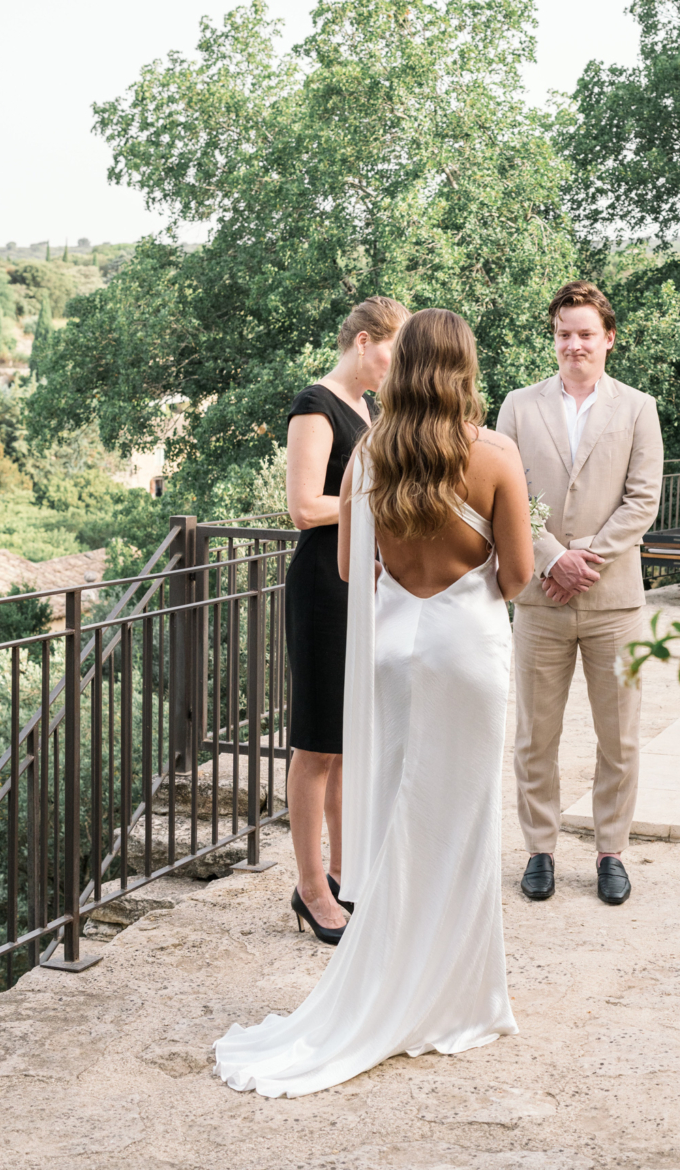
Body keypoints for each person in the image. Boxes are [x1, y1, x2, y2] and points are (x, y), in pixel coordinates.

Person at [215, 308, 534, 1097]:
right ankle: (453, 995)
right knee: (460, 819)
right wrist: (468, 589)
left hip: (395, 650)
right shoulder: (493, 453)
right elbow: (520, 574)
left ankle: (386, 975)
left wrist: (411, 595)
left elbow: (357, 574)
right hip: (465, 646)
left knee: (395, 808)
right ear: (462, 366)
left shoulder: (369, 456)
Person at [495, 280, 663, 907]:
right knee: (536, 733)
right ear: (554, 337)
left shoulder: (638, 407)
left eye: (586, 333)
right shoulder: (517, 406)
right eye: (564, 333)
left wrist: (584, 557)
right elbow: (501, 495)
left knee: (618, 736)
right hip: (539, 599)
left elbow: (643, 499)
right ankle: (539, 848)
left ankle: (611, 851)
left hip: (613, 601)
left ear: (608, 339)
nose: (574, 344)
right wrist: (551, 558)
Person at [284, 295, 409, 944]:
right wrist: (381, 495)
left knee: (345, 743)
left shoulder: (368, 408)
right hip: (321, 586)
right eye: (392, 350)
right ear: (364, 342)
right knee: (315, 744)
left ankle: (341, 872)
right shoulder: (315, 404)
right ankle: (309, 889)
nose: (397, 365)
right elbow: (305, 506)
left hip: (359, 582)